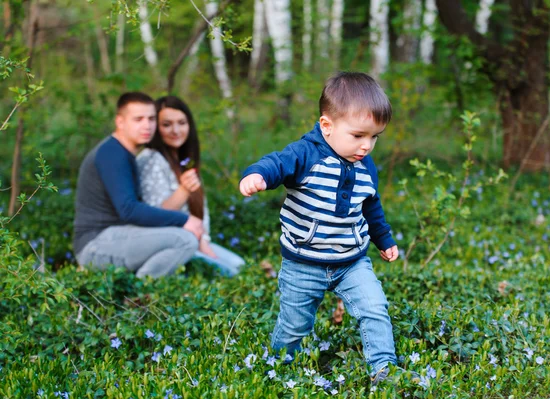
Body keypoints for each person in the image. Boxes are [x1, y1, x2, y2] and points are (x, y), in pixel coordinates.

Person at [239, 72, 399, 383]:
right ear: (327, 126)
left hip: (352, 262)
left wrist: (383, 238)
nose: (367, 146)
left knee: (375, 308)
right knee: (294, 325)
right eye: (358, 136)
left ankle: (383, 370)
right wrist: (257, 175)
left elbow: (371, 206)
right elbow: (276, 163)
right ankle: (277, 369)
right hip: (303, 263)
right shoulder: (305, 154)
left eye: (375, 137)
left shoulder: (365, 165)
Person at [73, 92, 204, 279]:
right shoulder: (112, 153)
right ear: (120, 122)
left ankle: (143, 287)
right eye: (138, 119)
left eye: (151, 119)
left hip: (117, 237)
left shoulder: (125, 154)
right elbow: (129, 210)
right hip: (95, 244)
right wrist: (184, 220)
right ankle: (140, 295)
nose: (147, 126)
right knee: (184, 241)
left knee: (180, 238)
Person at [136, 95, 245, 277]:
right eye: (167, 124)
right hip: (171, 245)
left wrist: (203, 241)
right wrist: (184, 190)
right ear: (155, 127)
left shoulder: (184, 160)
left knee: (241, 266)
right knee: (232, 274)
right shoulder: (151, 159)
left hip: (196, 240)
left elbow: (201, 211)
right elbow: (154, 215)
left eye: (181, 123)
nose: (176, 130)